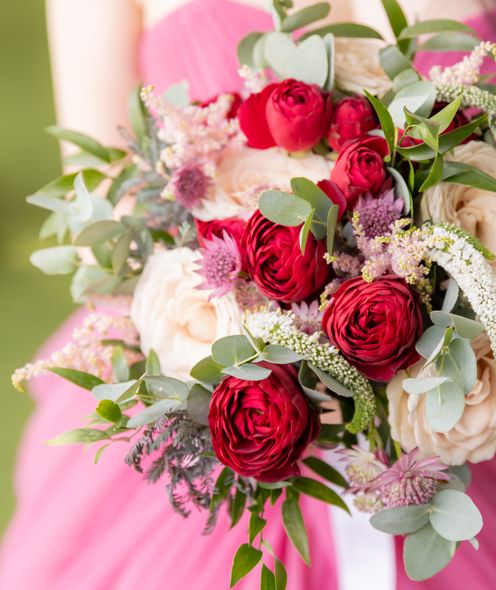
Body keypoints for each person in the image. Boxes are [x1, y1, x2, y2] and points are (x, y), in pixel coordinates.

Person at [1, 1, 495, 589]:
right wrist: (256, 323)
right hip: (224, 391)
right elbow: (100, 209)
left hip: (454, 398)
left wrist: (413, 310)